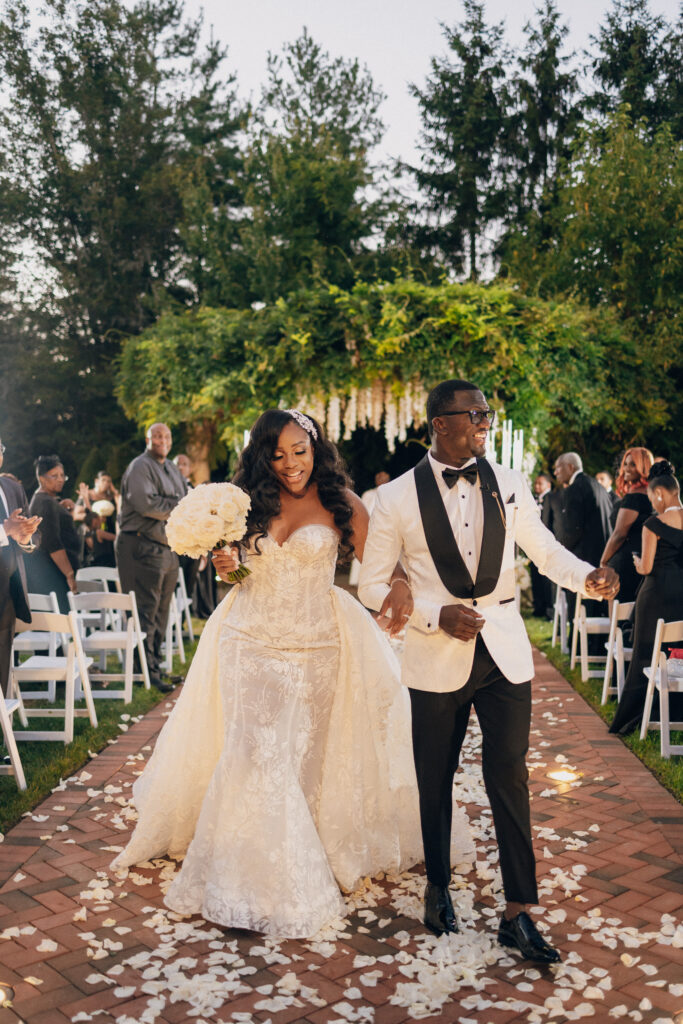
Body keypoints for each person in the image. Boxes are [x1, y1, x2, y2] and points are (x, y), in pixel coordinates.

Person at [112, 409, 473, 937]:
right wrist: (227, 564)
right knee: (255, 750)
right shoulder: (240, 502)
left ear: (315, 448)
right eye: (277, 455)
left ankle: (304, 843)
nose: (290, 465)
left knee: (304, 755)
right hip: (247, 640)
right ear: (262, 455)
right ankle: (255, 867)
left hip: (316, 645)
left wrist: (398, 583)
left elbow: (381, 565)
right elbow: (239, 575)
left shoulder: (342, 503)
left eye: (299, 452)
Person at [358, 379, 619, 962]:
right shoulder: (396, 498)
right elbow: (370, 584)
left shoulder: (506, 480)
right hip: (434, 655)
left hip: (503, 648)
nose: (485, 422)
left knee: (510, 775)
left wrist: (588, 578)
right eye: (474, 414)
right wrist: (433, 614)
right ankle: (437, 887)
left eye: (488, 413)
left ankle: (518, 912)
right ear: (439, 424)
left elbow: (545, 550)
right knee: (436, 775)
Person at [609, 460, 683, 735]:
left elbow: (648, 568)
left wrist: (639, 564)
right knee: (678, 653)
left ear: (660, 493)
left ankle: (632, 718)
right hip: (681, 596)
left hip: (655, 596)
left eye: (653, 497)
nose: (653, 503)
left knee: (645, 654)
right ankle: (675, 713)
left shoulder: (653, 523)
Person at [115, 424, 188, 693]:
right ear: (147, 439)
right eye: (157, 435)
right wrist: (180, 505)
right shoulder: (139, 467)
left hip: (167, 548)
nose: (163, 440)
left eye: (167, 435)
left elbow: (185, 498)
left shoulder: (170, 466)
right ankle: (144, 671)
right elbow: (147, 505)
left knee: (161, 611)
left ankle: (155, 665)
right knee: (145, 610)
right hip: (140, 545)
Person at [0, 439, 41, 696]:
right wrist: (5, 530)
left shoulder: (12, 487)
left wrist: (25, 538)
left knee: (3, 657)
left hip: (9, 587)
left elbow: (33, 539)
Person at [25, 456, 81, 613]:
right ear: (41, 478)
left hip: (52, 572)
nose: (60, 479)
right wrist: (69, 574)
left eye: (63, 475)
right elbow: (52, 543)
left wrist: (61, 509)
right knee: (64, 625)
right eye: (54, 476)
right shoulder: (46, 503)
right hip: (55, 574)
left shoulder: (48, 501)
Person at [599, 447, 654, 603]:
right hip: (643, 558)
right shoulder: (652, 495)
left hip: (625, 562)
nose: (626, 469)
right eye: (626, 464)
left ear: (644, 468)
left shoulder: (634, 497)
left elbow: (619, 534)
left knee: (618, 619)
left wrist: (603, 561)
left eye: (633, 465)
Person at [348, 470, 391, 587]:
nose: (381, 478)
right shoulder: (368, 494)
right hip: (367, 528)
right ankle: (361, 580)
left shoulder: (392, 492)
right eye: (379, 476)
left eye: (383, 476)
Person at [530, 473, 554, 618]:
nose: (537, 486)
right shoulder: (532, 499)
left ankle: (549, 610)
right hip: (533, 544)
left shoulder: (553, 499)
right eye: (536, 484)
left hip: (546, 545)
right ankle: (538, 607)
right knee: (536, 578)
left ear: (548, 485)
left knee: (547, 581)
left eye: (540, 483)